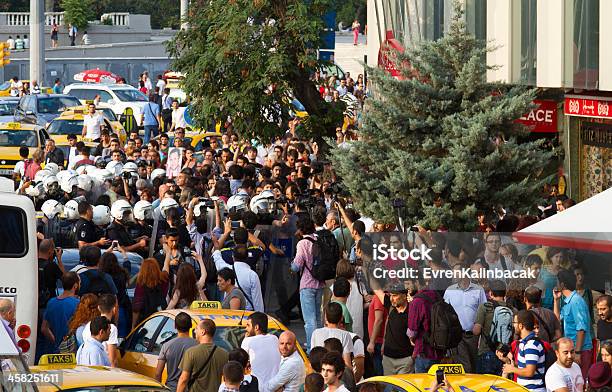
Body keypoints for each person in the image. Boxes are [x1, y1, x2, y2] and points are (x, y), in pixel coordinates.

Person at [444, 263, 487, 373]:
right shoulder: (449, 290)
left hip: (473, 336)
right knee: (462, 367)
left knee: (473, 365)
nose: (453, 274)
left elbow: (485, 310)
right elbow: (444, 312)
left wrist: (479, 324)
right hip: (456, 336)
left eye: (456, 271)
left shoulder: (478, 289)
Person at [290, 214, 325, 350]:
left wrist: (291, 265)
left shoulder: (302, 243)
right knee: (317, 318)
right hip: (320, 283)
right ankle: (319, 345)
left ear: (301, 229)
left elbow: (297, 265)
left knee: (309, 320)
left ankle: (312, 348)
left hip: (307, 284)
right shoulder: (319, 240)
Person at [554, 269, 593, 379]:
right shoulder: (568, 301)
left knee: (580, 382)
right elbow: (557, 321)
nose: (556, 285)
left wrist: (578, 352)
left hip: (580, 350)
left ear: (562, 284)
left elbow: (581, 328)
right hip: (573, 351)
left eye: (557, 282)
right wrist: (556, 300)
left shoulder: (576, 301)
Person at [473, 279, 515, 375]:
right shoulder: (512, 309)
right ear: (505, 293)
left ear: (490, 293)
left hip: (486, 352)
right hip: (505, 355)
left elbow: (476, 331)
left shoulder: (484, 307)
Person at [176, 319, 229, 392]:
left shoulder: (191, 352)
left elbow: (183, 379)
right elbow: (226, 380)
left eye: (196, 328)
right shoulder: (224, 354)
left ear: (203, 332)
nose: (194, 331)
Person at [500, 310, 546, 392]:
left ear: (520, 326)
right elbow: (524, 366)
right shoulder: (524, 343)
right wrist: (508, 361)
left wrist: (512, 369)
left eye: (514, 322)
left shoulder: (531, 345)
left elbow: (529, 371)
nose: (513, 325)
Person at [155, 312, 197, 392]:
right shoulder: (197, 345)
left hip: (171, 388)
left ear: (175, 326)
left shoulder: (166, 346)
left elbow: (158, 374)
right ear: (191, 326)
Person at [241, 312, 281, 392]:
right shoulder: (275, 338)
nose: (246, 329)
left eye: (248, 325)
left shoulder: (248, 341)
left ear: (256, 327)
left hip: (258, 388)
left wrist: (245, 339)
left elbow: (240, 361)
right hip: (276, 388)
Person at [40, 272, 80, 353]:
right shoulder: (78, 304)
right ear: (75, 286)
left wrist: (56, 342)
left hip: (54, 350)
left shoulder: (51, 302)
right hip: (72, 350)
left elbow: (44, 328)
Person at [311, 302, 354, 370]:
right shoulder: (345, 335)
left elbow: (313, 358)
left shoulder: (316, 333)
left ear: (325, 317)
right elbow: (347, 362)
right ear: (341, 318)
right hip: (336, 373)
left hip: (319, 371)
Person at [81, 294, 119, 367]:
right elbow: (112, 360)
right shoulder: (111, 328)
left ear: (98, 307)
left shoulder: (89, 324)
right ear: (114, 309)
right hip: (103, 371)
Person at [132, 258, 169, 328]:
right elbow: (166, 269)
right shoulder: (164, 280)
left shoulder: (141, 285)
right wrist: (168, 254)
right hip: (160, 318)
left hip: (146, 321)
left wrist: (133, 326)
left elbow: (136, 308)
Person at [38, 239, 65, 307]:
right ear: (50, 252)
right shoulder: (51, 265)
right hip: (49, 301)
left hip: (35, 300)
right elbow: (66, 278)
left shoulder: (32, 264)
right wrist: (59, 260)